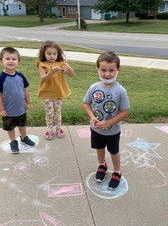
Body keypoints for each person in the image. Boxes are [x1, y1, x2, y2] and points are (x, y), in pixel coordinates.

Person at [83, 51, 130, 190]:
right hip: (96, 128)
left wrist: (109, 123)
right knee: (99, 148)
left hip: (113, 131)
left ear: (118, 70)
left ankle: (117, 172)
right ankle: (102, 165)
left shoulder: (120, 91)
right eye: (103, 70)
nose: (107, 74)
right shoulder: (94, 87)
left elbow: (125, 111)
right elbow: (86, 104)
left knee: (114, 151)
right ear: (97, 69)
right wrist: (92, 117)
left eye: (111, 70)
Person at [0, 47, 35, 154]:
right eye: (7, 59)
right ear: (1, 61)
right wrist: (1, 109)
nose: (11, 61)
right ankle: (13, 141)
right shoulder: (0, 78)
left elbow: (26, 90)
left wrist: (28, 103)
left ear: (18, 62)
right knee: (10, 127)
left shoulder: (21, 76)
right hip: (8, 111)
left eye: (14, 59)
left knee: (22, 125)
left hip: (21, 109)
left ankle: (24, 137)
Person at [37, 41, 74, 140]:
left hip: (58, 93)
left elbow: (72, 74)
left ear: (58, 54)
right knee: (49, 113)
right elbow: (43, 79)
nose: (52, 56)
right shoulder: (42, 64)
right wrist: (51, 72)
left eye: (55, 53)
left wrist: (68, 67)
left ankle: (58, 129)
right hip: (47, 94)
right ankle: (49, 130)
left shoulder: (61, 63)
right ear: (44, 54)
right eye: (49, 54)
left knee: (57, 112)